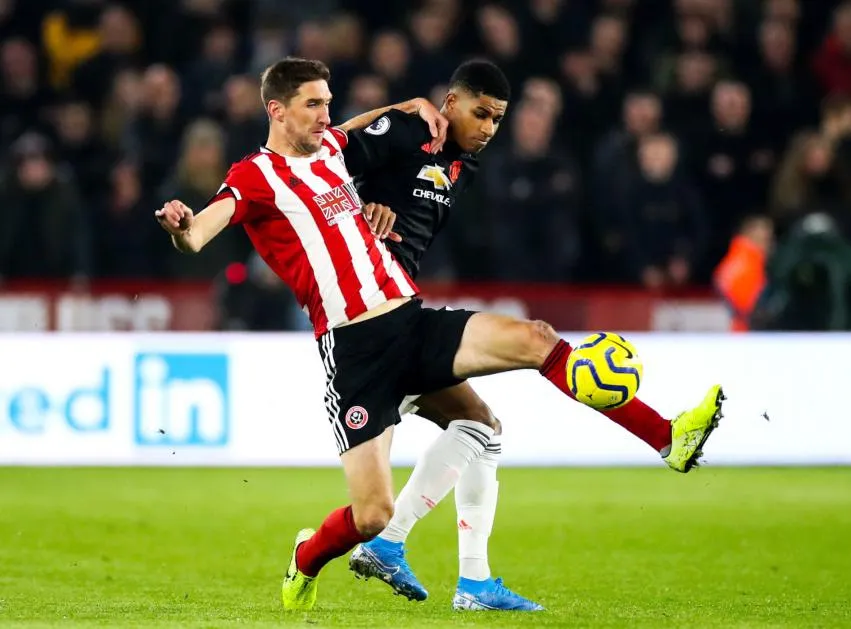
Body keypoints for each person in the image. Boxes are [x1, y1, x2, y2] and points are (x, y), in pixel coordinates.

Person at [154, 57, 723, 614]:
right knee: (372, 514)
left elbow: (356, 128)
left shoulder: (331, 150)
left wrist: (407, 104)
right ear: (277, 111)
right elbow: (200, 234)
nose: (326, 115)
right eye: (313, 105)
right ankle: (308, 557)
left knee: (532, 346)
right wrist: (183, 227)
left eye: (328, 103)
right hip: (355, 349)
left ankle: (665, 438)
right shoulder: (253, 176)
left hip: (411, 321)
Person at [341, 60, 724, 610]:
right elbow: (320, 160)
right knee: (535, 345)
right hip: (368, 322)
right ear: (450, 102)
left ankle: (460, 577)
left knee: (484, 429)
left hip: (403, 313)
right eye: (481, 114)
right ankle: (665, 436)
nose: (489, 128)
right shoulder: (408, 129)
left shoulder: (463, 166)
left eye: (498, 119)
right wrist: (359, 199)